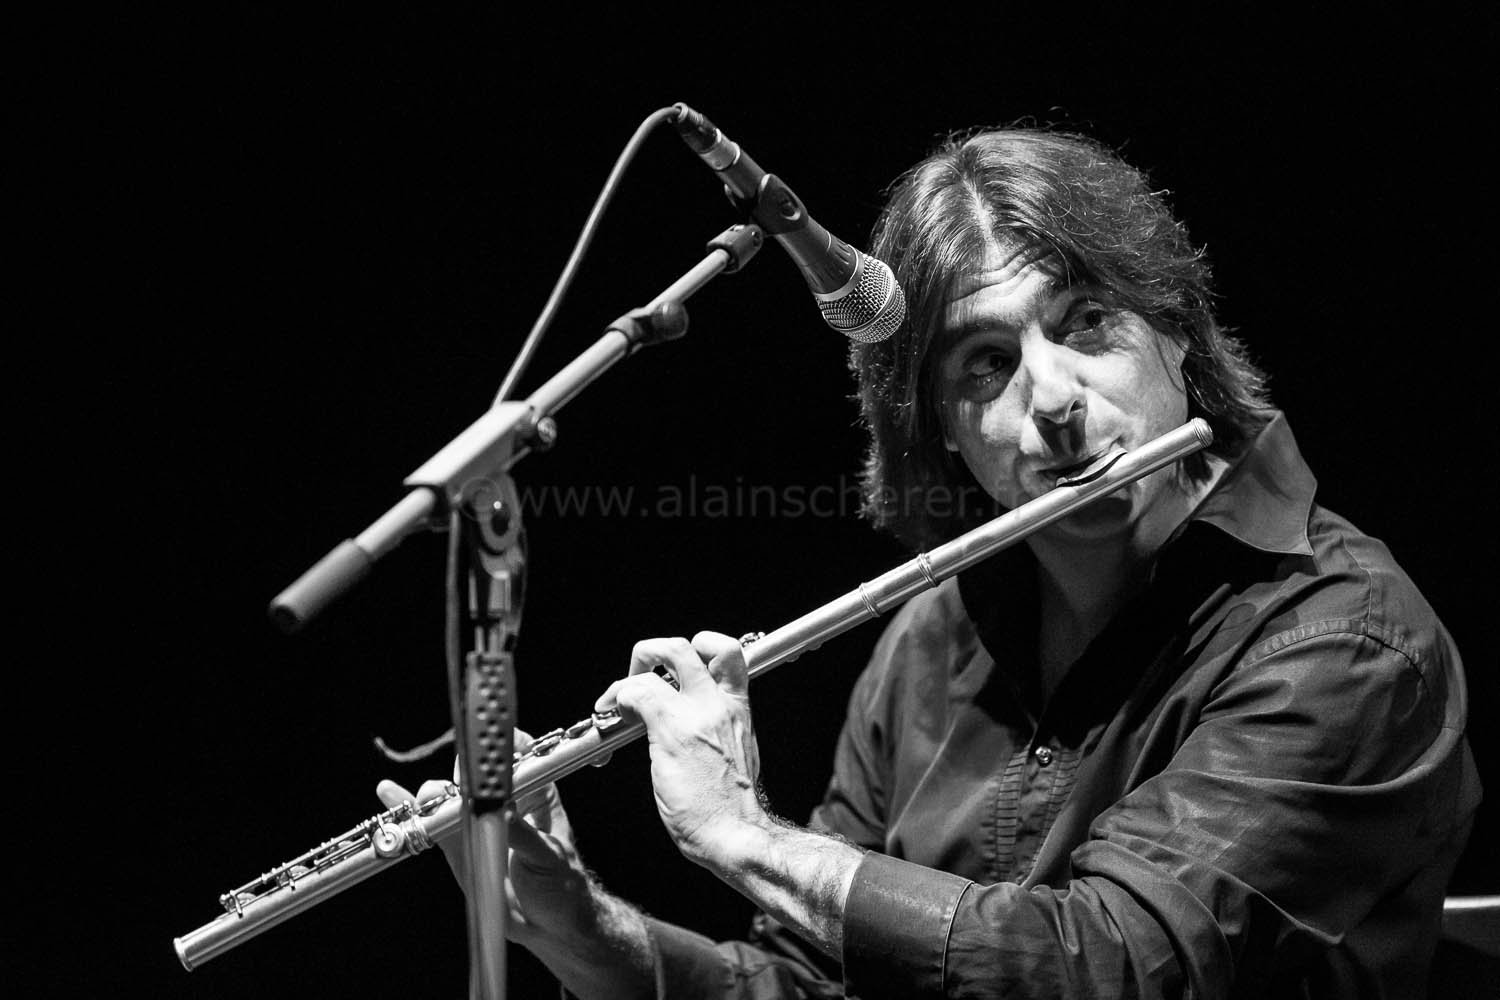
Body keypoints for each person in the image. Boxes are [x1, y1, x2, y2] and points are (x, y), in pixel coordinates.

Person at [379, 127, 1481, 998]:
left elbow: (1110, 969)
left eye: (1086, 323)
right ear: (942, 429)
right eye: (987, 363)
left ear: (1177, 333)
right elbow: (814, 983)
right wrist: (582, 930)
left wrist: (741, 836)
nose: (1054, 400)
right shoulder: (932, 639)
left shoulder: (1343, 641)